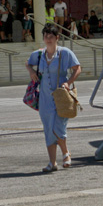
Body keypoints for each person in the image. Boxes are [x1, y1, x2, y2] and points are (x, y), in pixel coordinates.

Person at [26, 23, 81, 172]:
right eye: (46, 37)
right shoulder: (38, 54)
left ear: (57, 38)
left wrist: (68, 83)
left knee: (58, 126)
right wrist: (31, 71)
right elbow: (28, 63)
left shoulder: (65, 53)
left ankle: (65, 154)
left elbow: (77, 68)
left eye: (51, 37)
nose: (48, 40)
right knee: (48, 129)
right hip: (44, 97)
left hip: (61, 96)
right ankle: (52, 163)